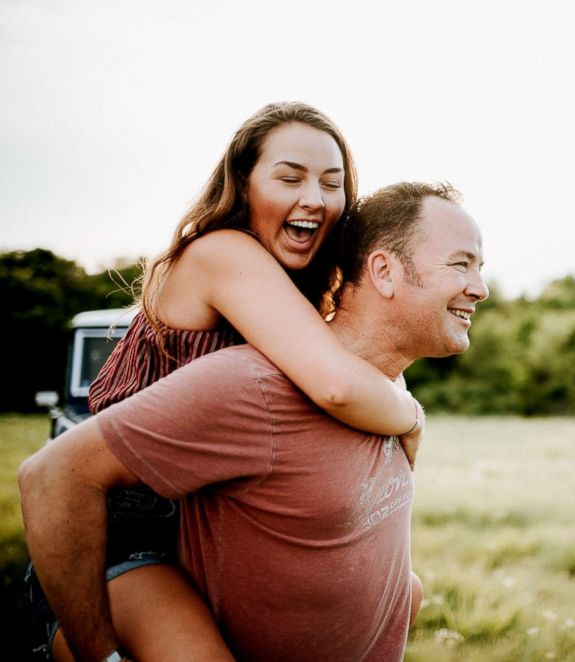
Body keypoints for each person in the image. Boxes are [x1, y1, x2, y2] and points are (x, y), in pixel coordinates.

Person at [20, 181, 488, 660]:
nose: (481, 288)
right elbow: (53, 474)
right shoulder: (253, 386)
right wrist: (101, 656)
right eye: (460, 264)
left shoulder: (391, 393)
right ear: (384, 272)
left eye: (480, 268)